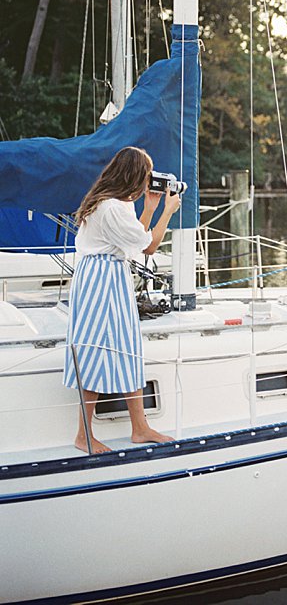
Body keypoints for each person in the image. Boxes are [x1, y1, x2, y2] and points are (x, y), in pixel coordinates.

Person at [63, 146, 182, 453]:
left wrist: (150, 208)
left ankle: (140, 427)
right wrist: (168, 211)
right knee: (94, 348)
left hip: (108, 275)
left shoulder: (114, 203)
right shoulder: (112, 207)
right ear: (133, 175)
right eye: (146, 175)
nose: (149, 181)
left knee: (127, 346)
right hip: (100, 278)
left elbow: (134, 240)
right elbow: (150, 247)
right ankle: (84, 435)